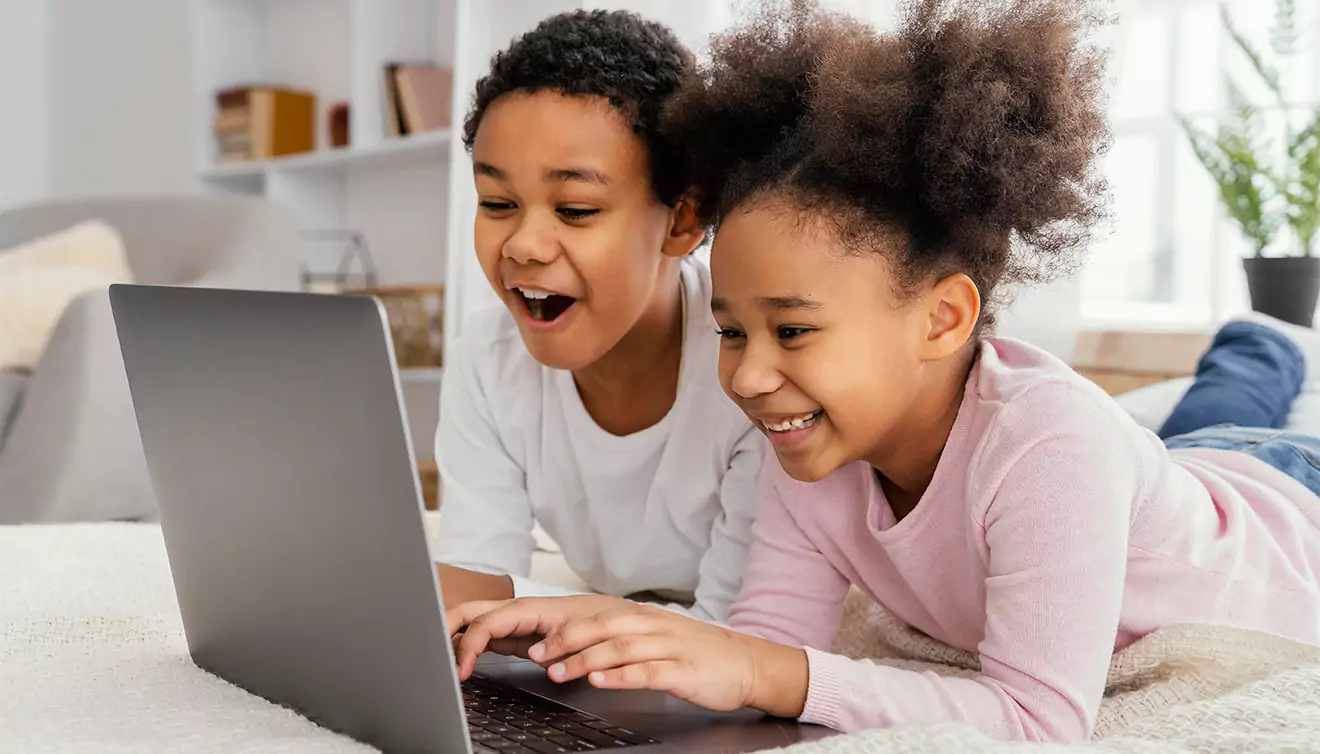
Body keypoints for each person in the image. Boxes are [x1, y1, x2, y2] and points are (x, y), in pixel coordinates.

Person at [445, 0, 1320, 743]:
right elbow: (762, 651)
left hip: (1283, 502)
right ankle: (1256, 357)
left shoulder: (1053, 444)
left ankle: (1268, 344)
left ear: (943, 318)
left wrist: (763, 668)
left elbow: (1039, 721)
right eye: (731, 332)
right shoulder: (808, 439)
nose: (747, 377)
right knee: (1174, 438)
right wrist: (619, 631)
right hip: (1173, 475)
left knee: (1214, 431)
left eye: (791, 329)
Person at [432, 9, 767, 622]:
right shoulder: (488, 357)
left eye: (577, 209)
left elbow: (735, 637)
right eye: (498, 202)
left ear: (682, 220)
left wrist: (506, 602)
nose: (525, 245)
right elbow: (474, 586)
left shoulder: (753, 372)